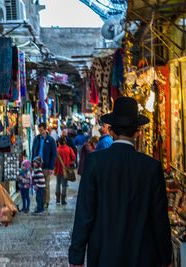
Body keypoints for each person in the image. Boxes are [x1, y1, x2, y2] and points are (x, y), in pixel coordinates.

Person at [69, 97, 172, 267]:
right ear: (138, 131)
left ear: (110, 131)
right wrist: (165, 257)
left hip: (104, 255)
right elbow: (159, 219)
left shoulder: (95, 162)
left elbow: (84, 213)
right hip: (142, 257)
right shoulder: (151, 167)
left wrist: (76, 256)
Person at [31, 123, 57, 209]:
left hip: (46, 166)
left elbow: (54, 154)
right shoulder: (36, 139)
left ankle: (46, 202)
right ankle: (40, 202)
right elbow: (33, 151)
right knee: (37, 185)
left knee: (46, 185)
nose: (40, 132)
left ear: (46, 129)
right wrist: (32, 164)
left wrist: (51, 167)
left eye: (42, 130)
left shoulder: (51, 140)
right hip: (37, 165)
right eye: (39, 130)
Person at [54, 137, 76, 205]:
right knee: (64, 185)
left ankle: (57, 200)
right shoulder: (69, 149)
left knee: (58, 184)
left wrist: (55, 169)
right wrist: (68, 163)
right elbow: (74, 159)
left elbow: (54, 162)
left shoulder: (57, 150)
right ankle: (63, 200)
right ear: (65, 142)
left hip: (58, 170)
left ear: (58, 142)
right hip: (65, 171)